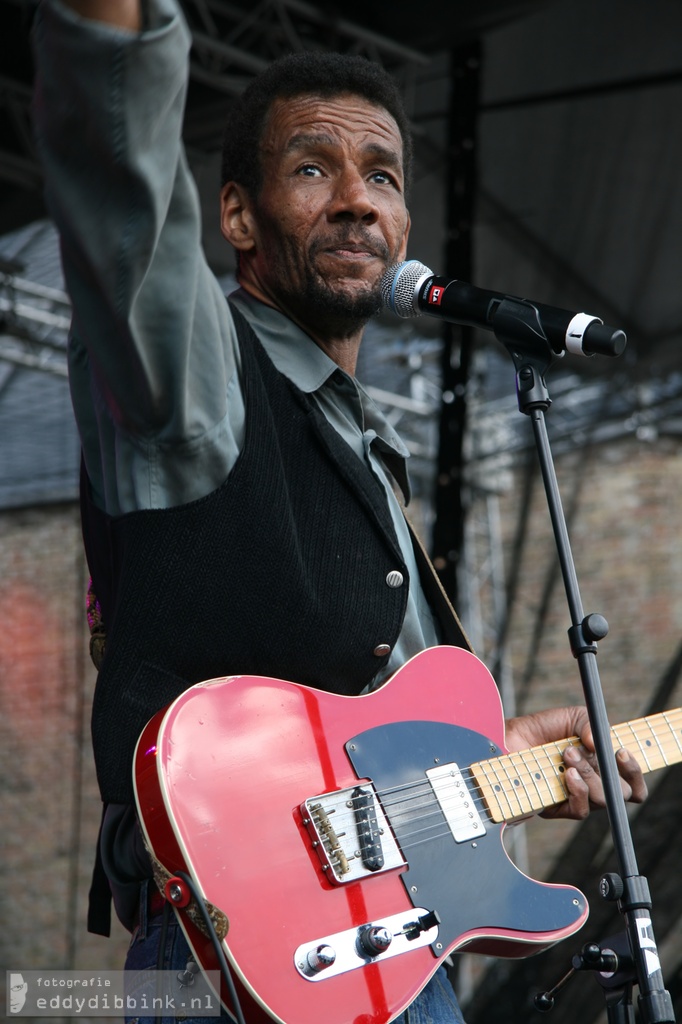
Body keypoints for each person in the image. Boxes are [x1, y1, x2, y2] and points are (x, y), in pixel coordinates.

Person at [31, 2, 647, 1022]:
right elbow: (118, 189)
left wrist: (499, 762)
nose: (358, 201)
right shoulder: (201, 381)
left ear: (408, 226)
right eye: (314, 169)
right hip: (235, 963)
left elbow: (347, 769)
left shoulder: (363, 446)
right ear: (237, 216)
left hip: (384, 955)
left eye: (384, 177)